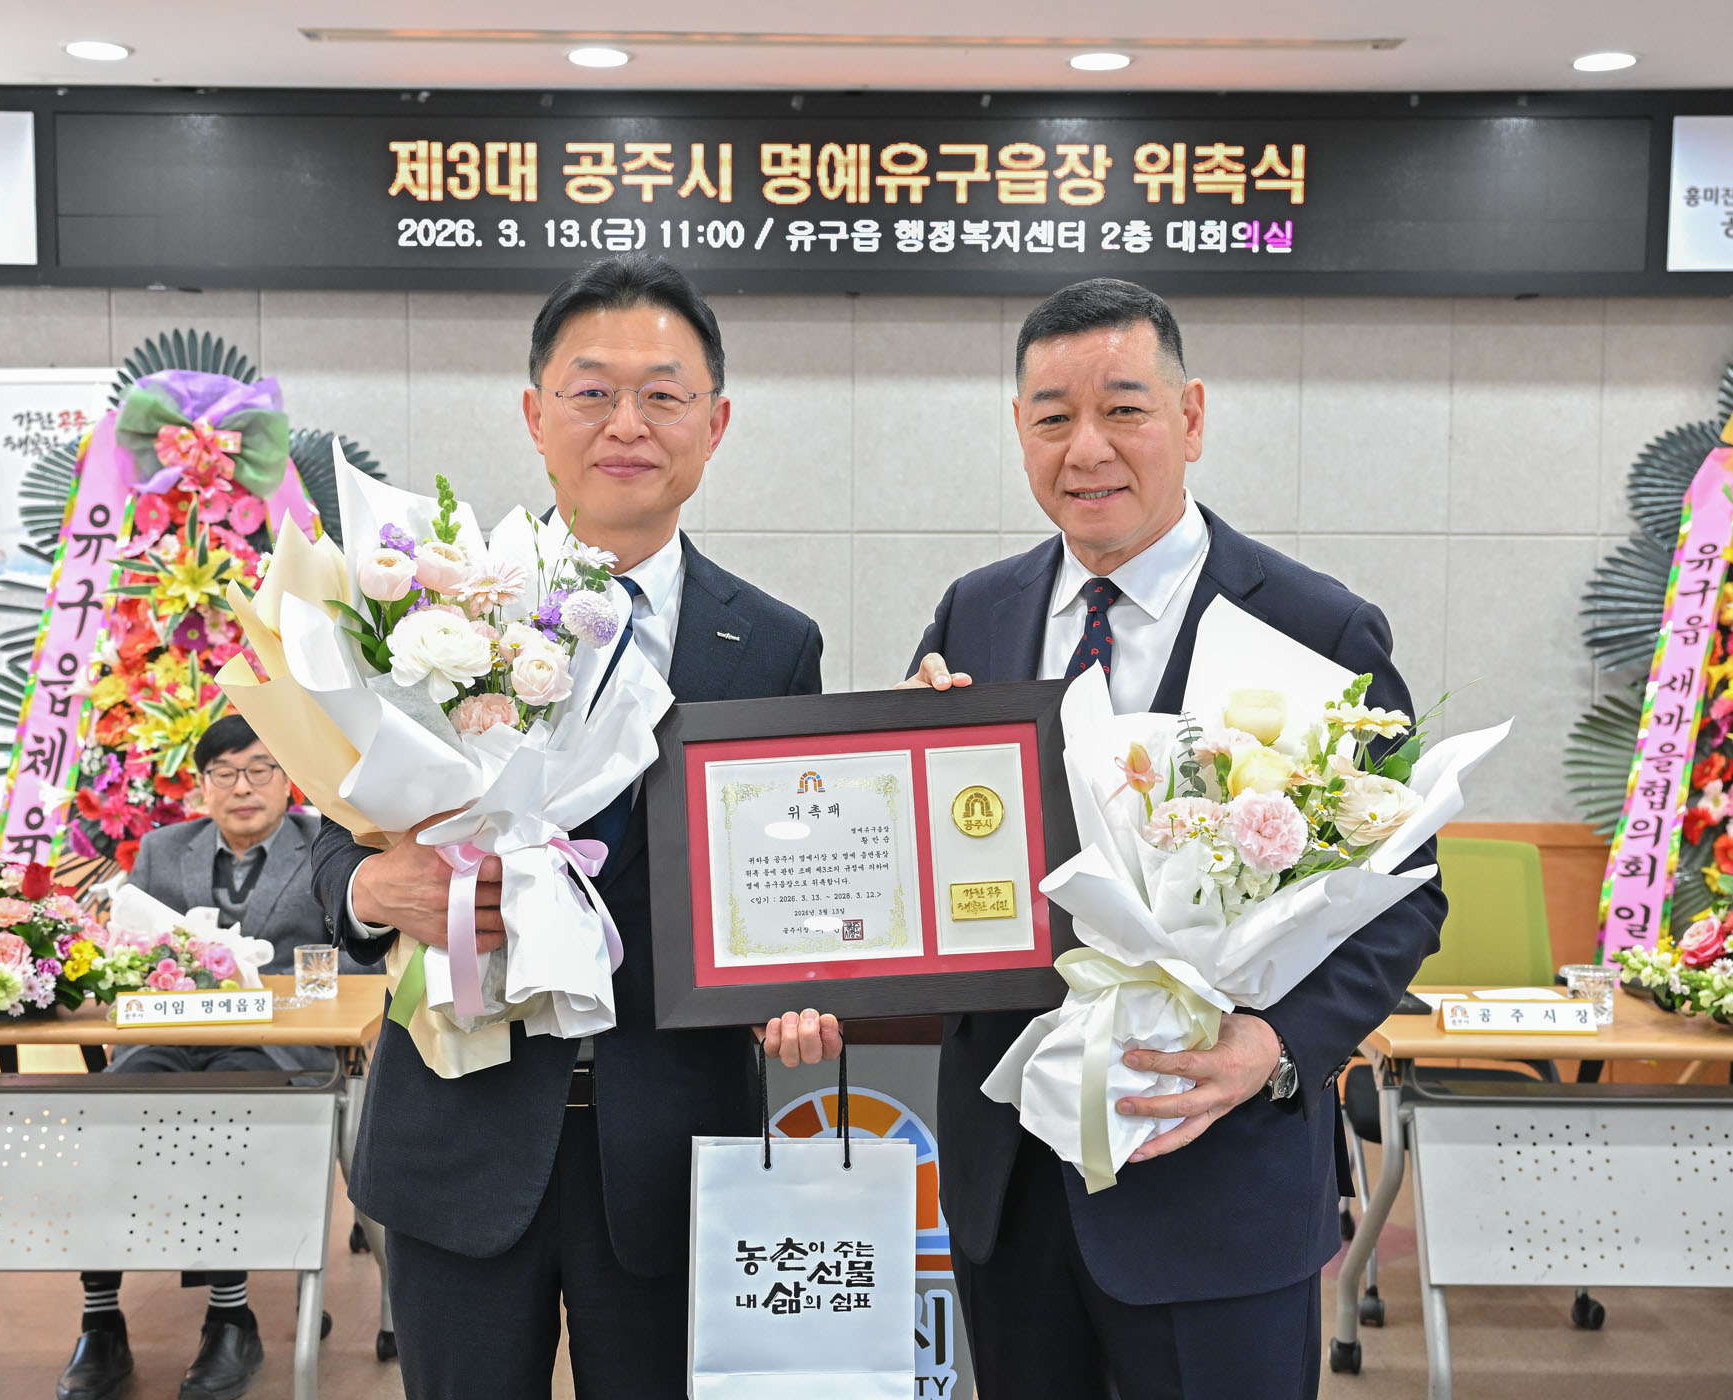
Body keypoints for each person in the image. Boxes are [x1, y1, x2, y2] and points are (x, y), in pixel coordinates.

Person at [773, 278, 1445, 1398]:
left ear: (1191, 416)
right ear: (1019, 430)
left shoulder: (1312, 625)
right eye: (1053, 417)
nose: (1086, 448)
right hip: (1011, 1184)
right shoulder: (976, 612)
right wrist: (858, 881)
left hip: (1215, 1173)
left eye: (1124, 409)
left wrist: (1276, 1047)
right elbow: (925, 873)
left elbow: (1408, 894)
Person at [311, 253, 826, 1400]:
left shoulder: (775, 645)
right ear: (534, 414)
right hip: (458, 1132)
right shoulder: (426, 601)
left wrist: (808, 976)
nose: (626, 423)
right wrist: (367, 889)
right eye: (592, 391)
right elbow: (326, 835)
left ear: (715, 423)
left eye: (664, 394)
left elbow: (789, 874)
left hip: (669, 1147)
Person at [58, 714, 359, 1400]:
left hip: (276, 1044)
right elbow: (129, 955)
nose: (241, 787)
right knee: (108, 1114)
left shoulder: (325, 848)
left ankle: (230, 1317)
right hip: (168, 1037)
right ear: (201, 786)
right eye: (224, 773)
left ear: (288, 781)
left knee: (224, 1108)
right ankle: (100, 1323)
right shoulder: (164, 850)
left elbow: (354, 959)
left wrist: (254, 979)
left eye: (258, 770)